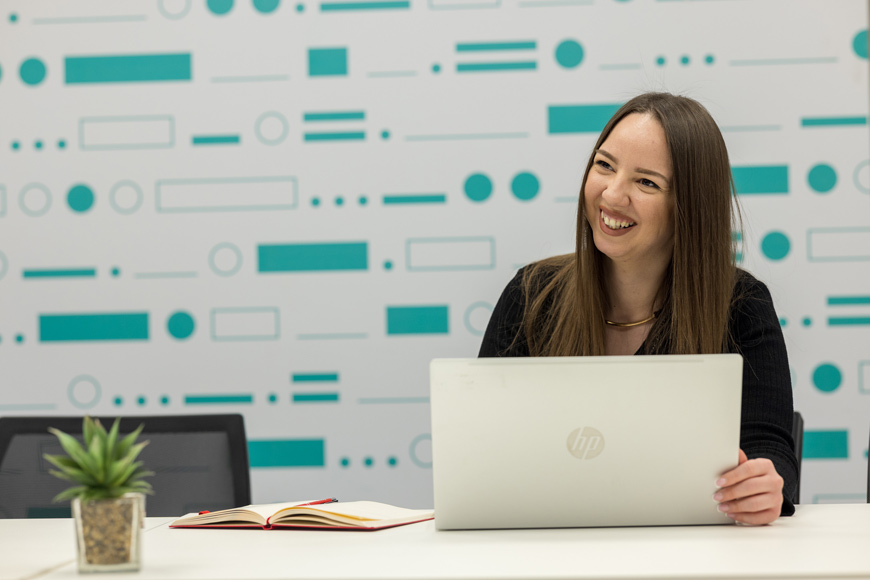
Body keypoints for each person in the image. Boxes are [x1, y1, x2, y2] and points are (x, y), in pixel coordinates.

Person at [479, 92, 797, 525]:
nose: (612, 194)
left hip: (690, 551)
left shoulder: (741, 304)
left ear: (690, 207)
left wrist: (763, 484)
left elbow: (770, 452)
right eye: (604, 165)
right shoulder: (531, 293)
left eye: (646, 182)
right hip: (552, 545)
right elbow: (483, 449)